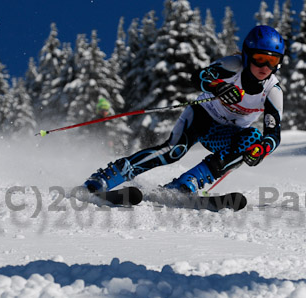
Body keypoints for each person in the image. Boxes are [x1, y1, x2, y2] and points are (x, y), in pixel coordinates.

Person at [83, 25, 285, 194]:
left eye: (273, 61)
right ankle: (110, 175)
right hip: (204, 116)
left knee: (252, 139)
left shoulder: (272, 91)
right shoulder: (233, 66)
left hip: (227, 134)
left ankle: (187, 183)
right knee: (173, 151)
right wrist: (217, 86)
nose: (265, 66)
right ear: (248, 55)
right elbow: (198, 77)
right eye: (260, 58)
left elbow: (273, 135)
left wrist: (261, 150)